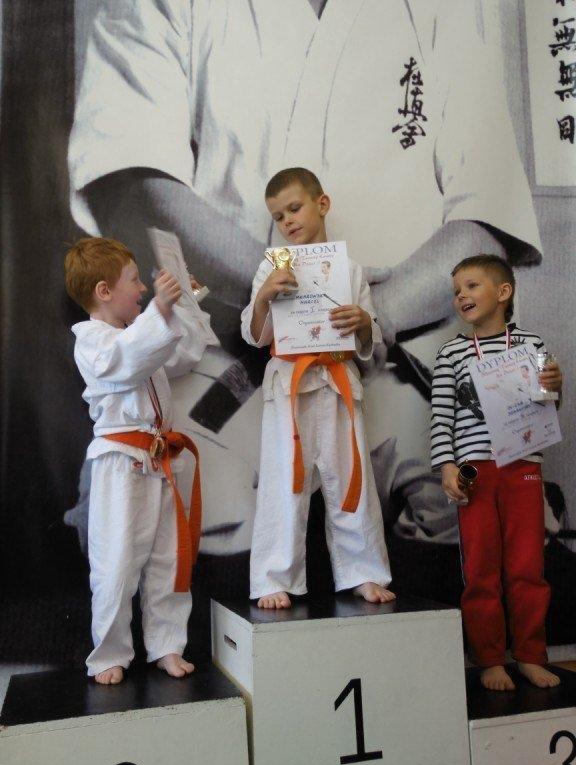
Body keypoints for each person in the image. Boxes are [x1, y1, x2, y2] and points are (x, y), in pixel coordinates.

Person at [68, 0, 544, 563]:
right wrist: (292, 303)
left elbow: (486, 213)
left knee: (482, 511)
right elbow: (134, 180)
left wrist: (372, 316)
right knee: (163, 515)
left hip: (405, 346)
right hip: (234, 350)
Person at [64, 237, 217, 684]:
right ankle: (109, 653)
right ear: (104, 291)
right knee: (115, 564)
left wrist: (183, 304)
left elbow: (184, 355)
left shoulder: (140, 333)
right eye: (134, 281)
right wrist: (160, 311)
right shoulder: (92, 341)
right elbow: (126, 360)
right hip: (120, 463)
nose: (143, 289)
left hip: (161, 459)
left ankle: (167, 645)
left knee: (169, 559)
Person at [241, 168, 394, 609]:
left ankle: (363, 572)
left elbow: (370, 338)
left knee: (351, 481)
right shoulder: (271, 267)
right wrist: (264, 297)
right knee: (283, 483)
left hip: (338, 382)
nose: (288, 220)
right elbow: (255, 335)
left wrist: (362, 323)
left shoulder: (350, 270)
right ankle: (274, 577)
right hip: (289, 388)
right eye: (278, 216)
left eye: (295, 208)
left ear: (321, 204)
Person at [431, 254, 562, 691]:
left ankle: (530, 654)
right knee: (481, 567)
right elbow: (441, 418)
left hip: (523, 465)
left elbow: (547, 405)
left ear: (503, 292)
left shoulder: (530, 344)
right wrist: (447, 466)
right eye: (457, 290)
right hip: (475, 470)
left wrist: (554, 386)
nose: (461, 296)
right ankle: (489, 659)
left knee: (528, 566)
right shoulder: (451, 353)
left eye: (472, 286)